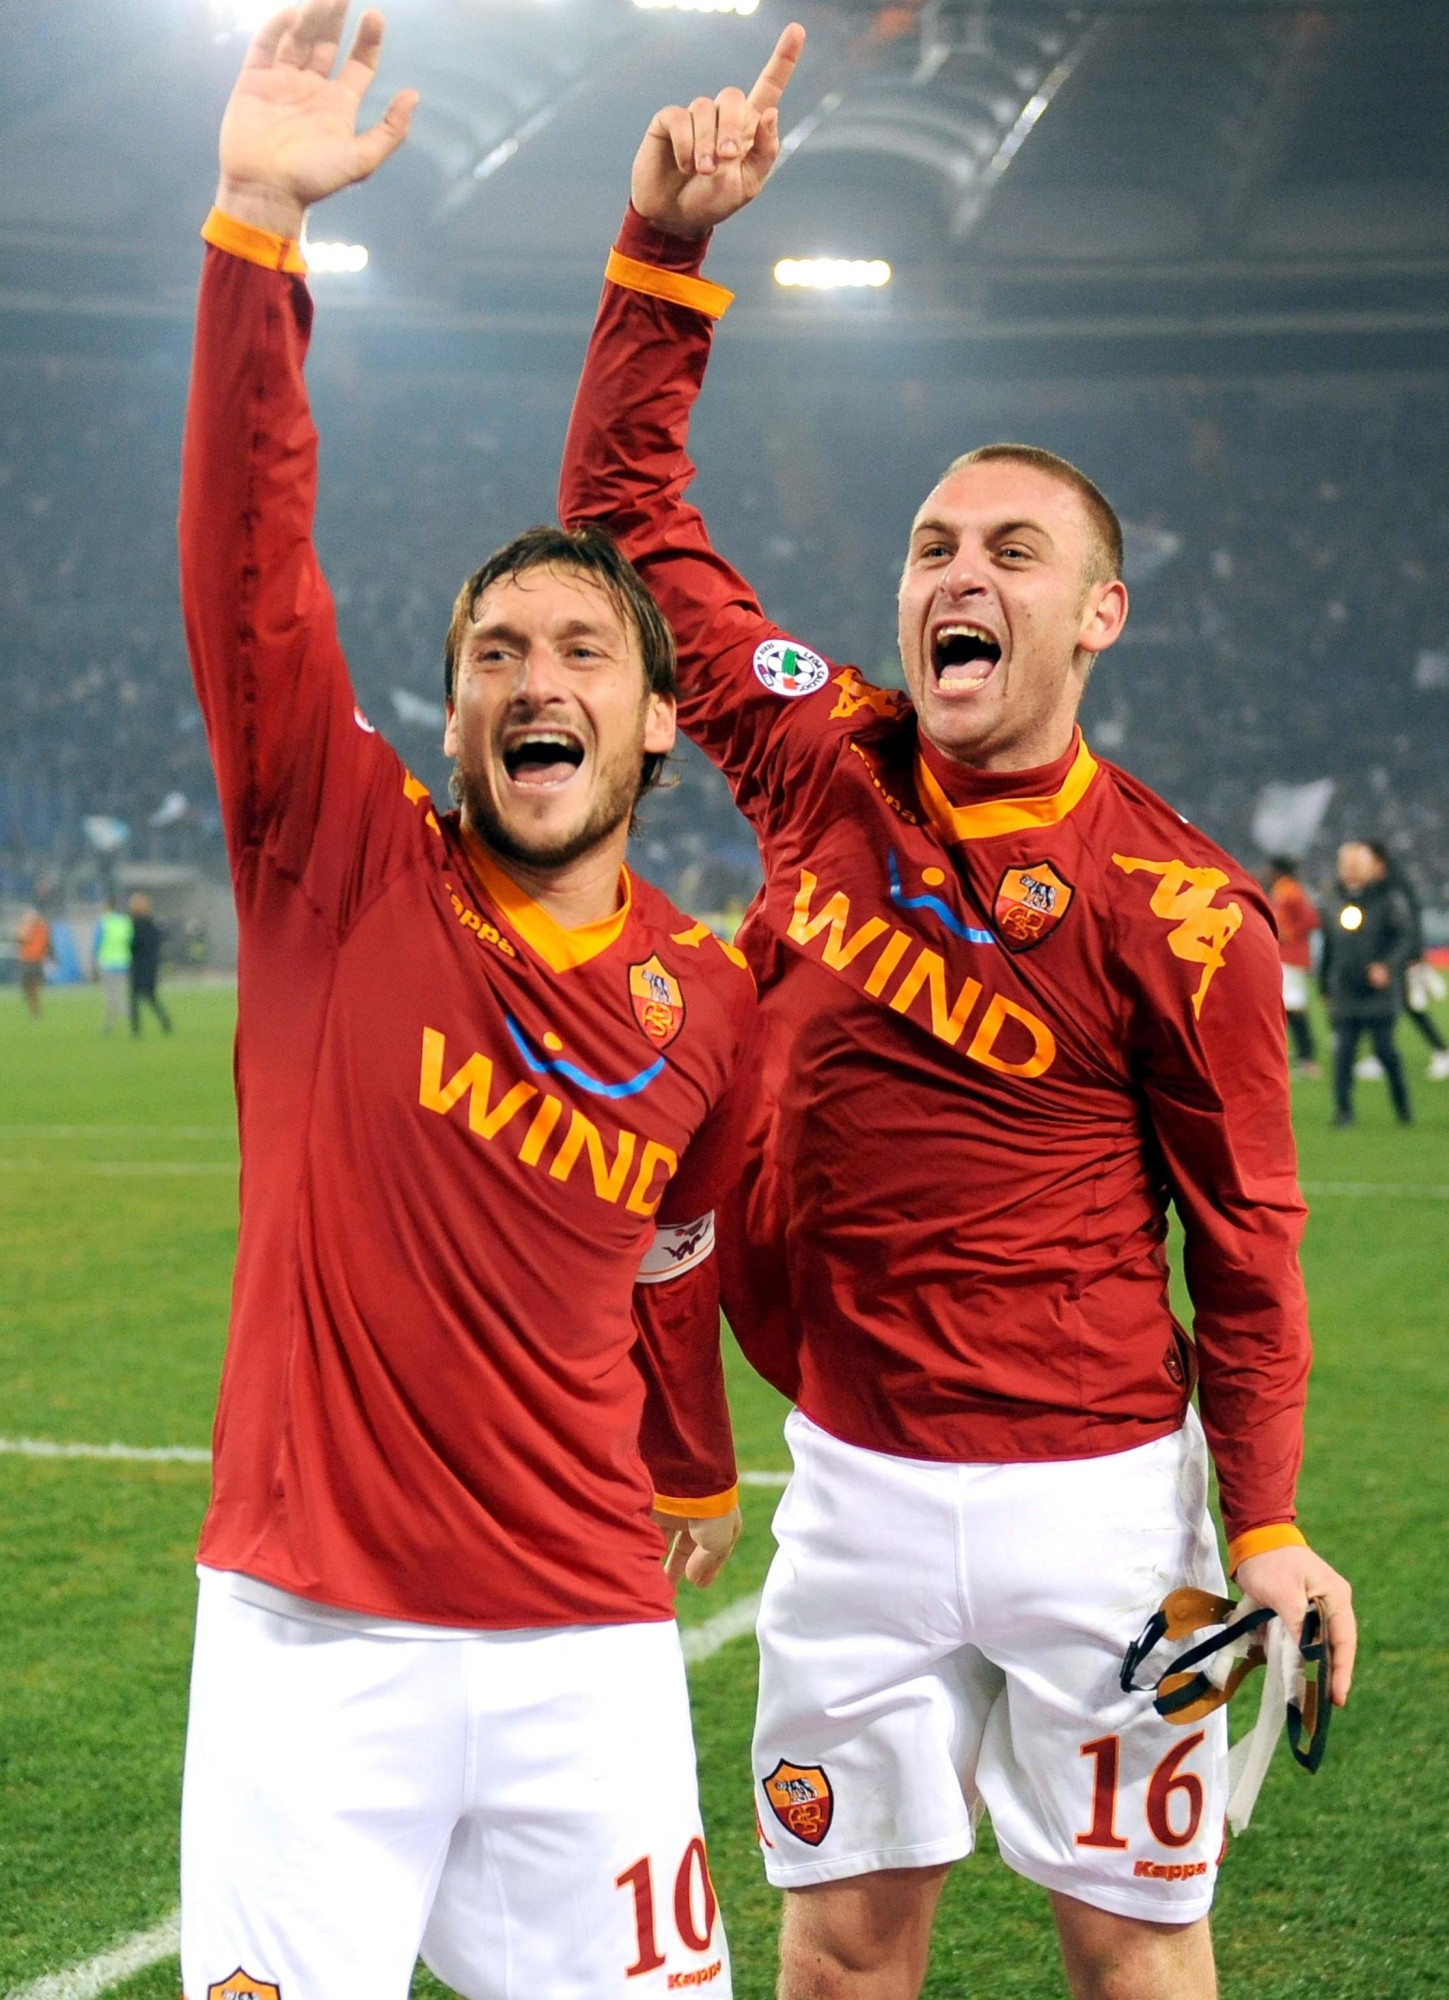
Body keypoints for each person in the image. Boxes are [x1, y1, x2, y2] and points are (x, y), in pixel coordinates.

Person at [560, 33, 1355, 1999]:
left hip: (1117, 1507)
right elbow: (626, 517)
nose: (958, 573)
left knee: (1134, 1946)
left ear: (1097, 614)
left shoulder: (1185, 910)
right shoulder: (822, 753)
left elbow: (1247, 1248)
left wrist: (1256, 1524)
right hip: (848, 1497)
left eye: (1014, 551)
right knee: (836, 1957)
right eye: (931, 545)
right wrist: (663, 247)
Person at [177, 10, 753, 1997]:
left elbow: (678, 1251)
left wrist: (690, 1459)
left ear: (653, 720)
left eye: (583, 646)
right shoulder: (339, 856)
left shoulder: (707, 996)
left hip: (592, 1660)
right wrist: (258, 223)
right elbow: (254, 569)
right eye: (496, 646)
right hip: (311, 1648)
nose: (537, 674)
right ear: (447, 713)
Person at [1320, 840, 1415, 1126]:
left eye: (1356, 864)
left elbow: (1404, 938)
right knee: (1343, 1053)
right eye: (1345, 864)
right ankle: (1344, 1111)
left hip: (1378, 990)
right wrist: (1325, 984)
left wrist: (1387, 966)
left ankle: (1403, 1106)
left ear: (1371, 867)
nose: (1350, 870)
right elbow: (1328, 947)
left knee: (1386, 1050)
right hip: (1345, 988)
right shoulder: (1332, 899)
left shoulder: (1388, 898)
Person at [1368, 843, 1449, 1080]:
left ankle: (1442, 1051)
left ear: (1379, 862)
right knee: (1391, 1004)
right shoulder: (1385, 886)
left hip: (1401, 957)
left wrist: (1413, 956)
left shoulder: (1396, 887)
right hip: (1389, 956)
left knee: (1410, 1005)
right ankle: (1382, 1053)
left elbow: (1409, 925)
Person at [1264, 856, 1320, 1073]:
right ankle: (1301, 1053)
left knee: (1293, 1006)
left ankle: (1308, 1057)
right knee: (1286, 1006)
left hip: (1292, 956)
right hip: (1284, 955)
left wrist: (1289, 934)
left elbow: (1311, 920)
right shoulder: (1283, 889)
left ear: (1278, 870)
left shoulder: (1291, 890)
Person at [126, 892, 173, 1036]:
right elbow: (158, 941)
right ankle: (165, 1022)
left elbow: (133, 944)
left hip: (138, 965)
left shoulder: (135, 925)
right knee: (151, 997)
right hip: (151, 965)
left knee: (134, 998)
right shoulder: (152, 924)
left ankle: (136, 1029)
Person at [92, 895, 133, 1033]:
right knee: (120, 993)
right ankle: (128, 1019)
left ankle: (111, 1024)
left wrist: (94, 961)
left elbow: (97, 943)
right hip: (123, 962)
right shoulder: (125, 921)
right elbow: (130, 940)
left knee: (111, 996)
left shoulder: (103, 922)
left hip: (107, 963)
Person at [16, 906, 50, 1019]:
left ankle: (36, 1009)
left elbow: (45, 943)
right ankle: (34, 1007)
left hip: (36, 960)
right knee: (25, 986)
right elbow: (20, 939)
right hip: (25, 960)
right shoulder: (25, 927)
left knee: (34, 985)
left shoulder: (42, 927)